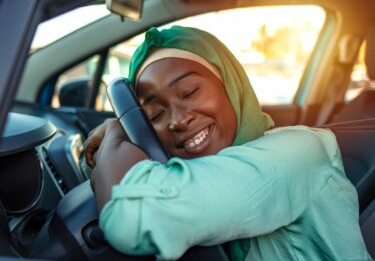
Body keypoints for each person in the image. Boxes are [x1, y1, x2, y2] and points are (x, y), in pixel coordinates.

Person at [85, 26, 371, 261]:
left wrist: (115, 130)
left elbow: (133, 219)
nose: (178, 120)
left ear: (230, 85)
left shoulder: (297, 154)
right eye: (155, 114)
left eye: (190, 91)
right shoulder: (201, 174)